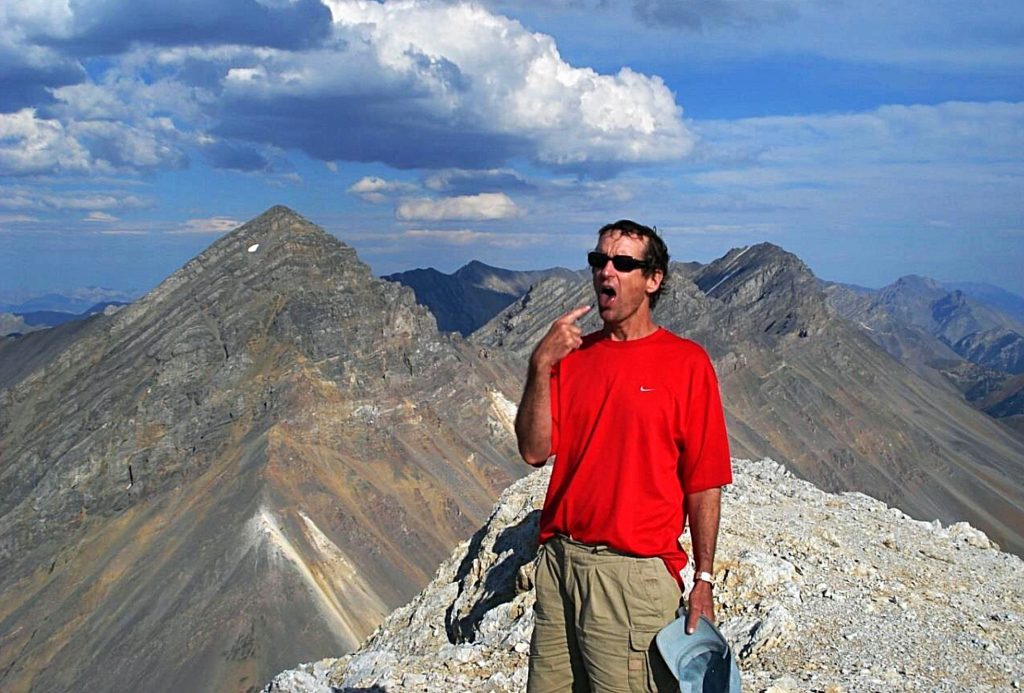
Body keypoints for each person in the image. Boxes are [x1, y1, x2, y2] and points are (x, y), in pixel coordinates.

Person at [515, 220, 732, 692]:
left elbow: (703, 480)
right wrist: (539, 365)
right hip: (559, 567)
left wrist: (704, 578)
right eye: (599, 260)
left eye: (623, 264)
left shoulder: (687, 364)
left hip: (631, 577)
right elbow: (533, 451)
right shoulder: (571, 358)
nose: (605, 272)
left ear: (653, 280)